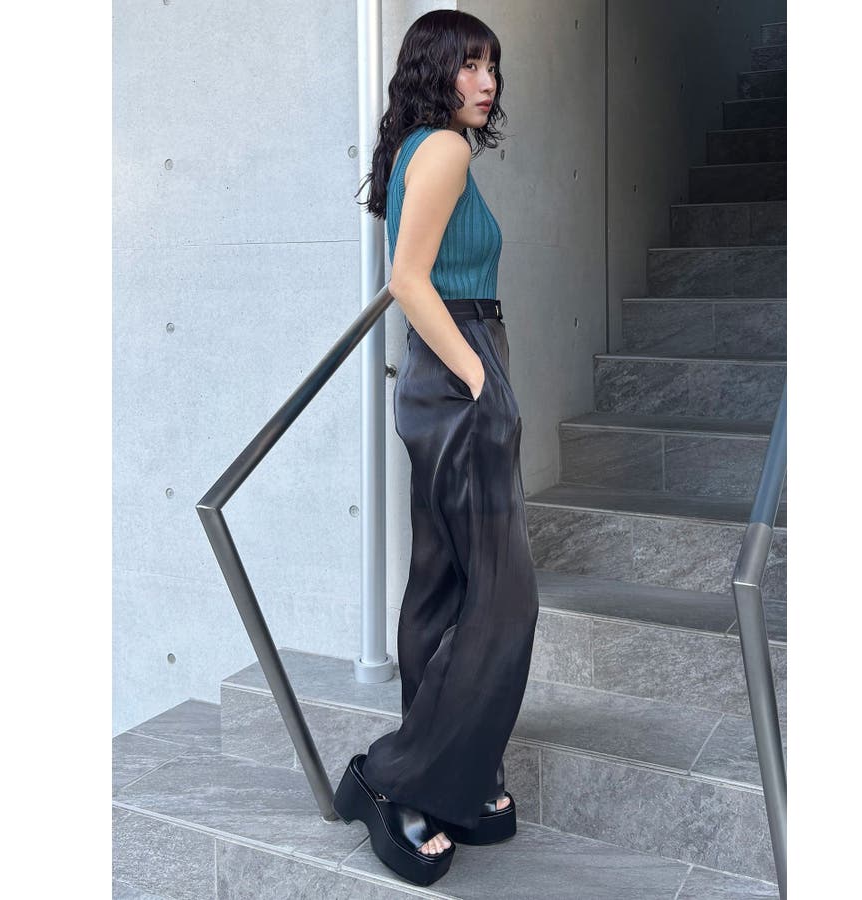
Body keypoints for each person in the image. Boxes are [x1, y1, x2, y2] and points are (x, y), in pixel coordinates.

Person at [332, 10, 539, 887]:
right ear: (434, 70)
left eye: (491, 64)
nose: (486, 82)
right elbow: (409, 281)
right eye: (468, 65)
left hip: (435, 372)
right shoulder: (446, 150)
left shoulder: (420, 146)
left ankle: (451, 773)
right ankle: (397, 778)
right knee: (505, 598)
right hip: (459, 365)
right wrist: (482, 377)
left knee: (442, 584)